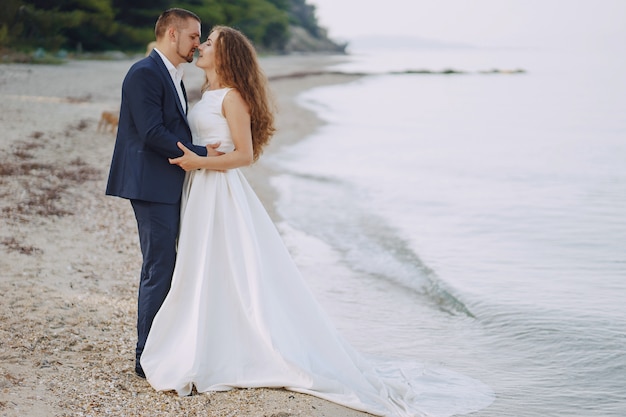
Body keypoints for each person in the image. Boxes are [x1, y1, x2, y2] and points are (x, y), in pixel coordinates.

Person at [140, 26, 494, 416]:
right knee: (204, 266)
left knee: (228, 267)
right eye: (201, 41)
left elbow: (245, 155)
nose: (202, 46)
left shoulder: (233, 97)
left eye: (210, 43)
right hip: (201, 189)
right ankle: (204, 338)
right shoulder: (206, 92)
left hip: (219, 190)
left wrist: (199, 162)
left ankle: (237, 344)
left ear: (226, 56)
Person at [105, 8, 222, 379]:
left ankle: (162, 346)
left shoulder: (174, 74)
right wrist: (203, 155)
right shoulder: (143, 73)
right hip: (150, 184)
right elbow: (152, 131)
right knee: (160, 267)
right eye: (193, 36)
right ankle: (145, 356)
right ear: (172, 34)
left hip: (167, 182)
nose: (196, 44)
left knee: (167, 264)